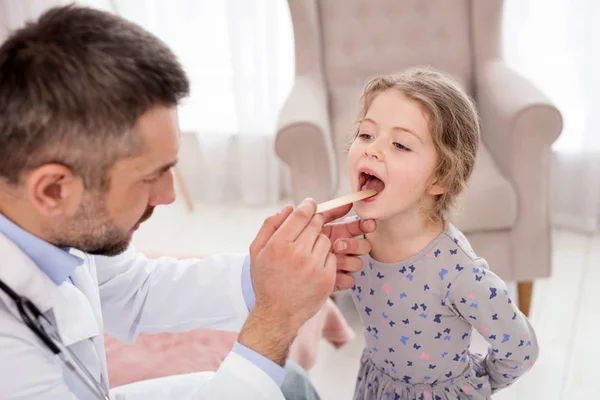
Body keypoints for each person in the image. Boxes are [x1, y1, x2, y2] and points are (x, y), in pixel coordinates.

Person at [0, 5, 376, 400]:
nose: (169, 196)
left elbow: (133, 289)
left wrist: (265, 275)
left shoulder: (44, 223)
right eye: (149, 177)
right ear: (54, 190)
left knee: (290, 383)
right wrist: (276, 319)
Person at [342, 67, 540, 399]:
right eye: (366, 134)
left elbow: (521, 348)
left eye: (401, 145)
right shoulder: (351, 237)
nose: (371, 150)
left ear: (440, 179)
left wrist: (477, 384)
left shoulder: (460, 274)